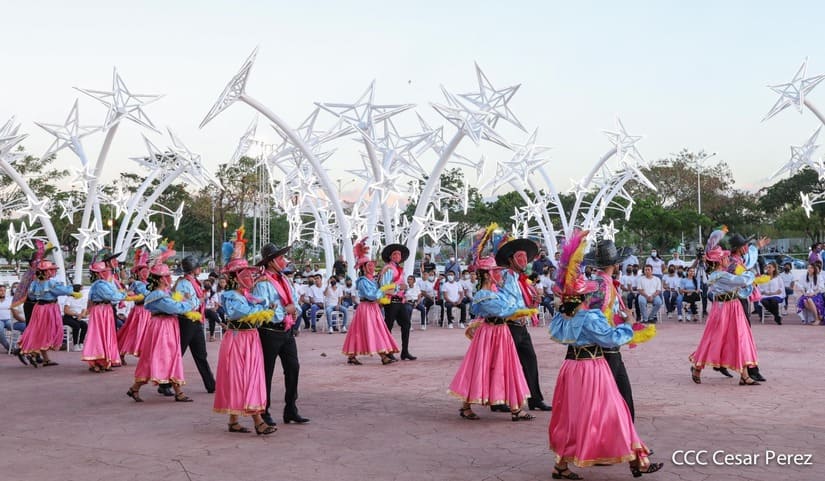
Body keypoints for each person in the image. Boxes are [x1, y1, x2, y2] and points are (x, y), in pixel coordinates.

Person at [549, 230, 662, 479]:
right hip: (593, 367)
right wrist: (629, 325)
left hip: (572, 368)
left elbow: (557, 332)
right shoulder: (590, 316)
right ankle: (635, 459)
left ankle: (564, 465)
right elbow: (610, 337)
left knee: (573, 417)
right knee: (615, 410)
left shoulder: (564, 318)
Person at [449, 239, 534, 422]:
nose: (499, 275)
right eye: (495, 272)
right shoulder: (482, 295)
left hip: (501, 333)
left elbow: (510, 304)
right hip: (489, 335)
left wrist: (522, 309)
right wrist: (523, 311)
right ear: (488, 276)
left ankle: (516, 409)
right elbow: (503, 310)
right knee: (479, 368)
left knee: (508, 368)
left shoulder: (497, 293)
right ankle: (466, 406)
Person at [211, 231, 278, 435]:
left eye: (249, 273)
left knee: (247, 376)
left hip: (250, 338)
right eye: (244, 273)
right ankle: (258, 421)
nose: (249, 276)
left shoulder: (247, 295)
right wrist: (263, 308)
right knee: (242, 377)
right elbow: (239, 313)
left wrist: (265, 305)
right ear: (236, 277)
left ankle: (233, 421)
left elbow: (259, 306)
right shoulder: (231, 296)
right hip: (238, 340)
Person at [586, 239, 650, 422]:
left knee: (622, 393)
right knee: (613, 395)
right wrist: (627, 322)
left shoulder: (600, 282)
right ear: (615, 265)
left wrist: (622, 316)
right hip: (606, 347)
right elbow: (598, 318)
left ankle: (626, 433)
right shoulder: (602, 285)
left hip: (609, 346)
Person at [689, 232, 765, 387]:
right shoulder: (719, 276)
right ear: (719, 261)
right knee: (713, 339)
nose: (727, 259)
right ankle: (697, 367)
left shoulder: (721, 273)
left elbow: (740, 287)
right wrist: (753, 275)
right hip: (723, 310)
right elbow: (740, 281)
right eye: (724, 257)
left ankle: (744, 375)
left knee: (741, 338)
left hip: (734, 307)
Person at [126, 243, 197, 403]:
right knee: (164, 357)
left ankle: (136, 388)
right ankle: (177, 392)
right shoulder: (159, 295)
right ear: (161, 279)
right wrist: (189, 303)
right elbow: (175, 308)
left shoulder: (163, 293)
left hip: (166, 326)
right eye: (167, 276)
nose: (169, 279)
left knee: (165, 357)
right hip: (163, 327)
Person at [253, 242, 309, 427]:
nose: (284, 261)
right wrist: (285, 310)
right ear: (271, 262)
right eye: (280, 258)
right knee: (266, 372)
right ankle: (264, 410)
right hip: (269, 331)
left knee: (293, 368)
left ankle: (291, 408)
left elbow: (295, 301)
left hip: (286, 330)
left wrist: (294, 310)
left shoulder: (284, 279)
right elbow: (263, 309)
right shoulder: (262, 283)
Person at [495, 236, 552, 412]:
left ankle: (535, 398)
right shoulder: (501, 276)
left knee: (530, 360)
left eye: (525, 257)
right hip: (507, 325)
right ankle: (499, 400)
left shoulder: (521, 279)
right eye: (520, 257)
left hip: (521, 326)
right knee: (504, 363)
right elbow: (497, 299)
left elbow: (523, 302)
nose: (524, 261)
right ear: (511, 259)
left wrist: (533, 302)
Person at [158, 255, 216, 396]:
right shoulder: (184, 283)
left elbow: (195, 299)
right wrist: (199, 300)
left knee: (201, 354)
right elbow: (185, 303)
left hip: (196, 320)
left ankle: (211, 385)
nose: (200, 269)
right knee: (178, 353)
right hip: (186, 321)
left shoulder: (194, 282)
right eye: (198, 267)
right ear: (193, 269)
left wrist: (200, 299)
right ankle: (164, 384)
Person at [342, 238, 400, 365]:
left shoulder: (373, 280)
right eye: (369, 265)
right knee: (368, 330)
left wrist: (390, 287)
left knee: (368, 330)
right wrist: (383, 290)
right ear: (363, 268)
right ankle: (383, 356)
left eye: (372, 265)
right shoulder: (362, 281)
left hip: (373, 308)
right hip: (366, 308)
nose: (372, 267)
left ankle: (352, 356)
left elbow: (380, 290)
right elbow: (371, 295)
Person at [727, 232, 770, 382]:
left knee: (733, 334)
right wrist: (756, 279)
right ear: (739, 248)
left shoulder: (739, 259)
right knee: (741, 335)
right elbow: (741, 280)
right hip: (735, 301)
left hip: (739, 300)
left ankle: (749, 370)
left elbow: (750, 259)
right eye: (745, 245)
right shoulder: (733, 263)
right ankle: (751, 370)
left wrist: (757, 246)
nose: (747, 247)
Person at [18, 260, 79, 367]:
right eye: (51, 270)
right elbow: (62, 290)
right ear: (46, 271)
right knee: (48, 331)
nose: (53, 272)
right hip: (49, 309)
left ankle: (42, 357)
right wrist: (72, 291)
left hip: (39, 308)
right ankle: (32, 352)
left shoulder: (35, 283)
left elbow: (31, 295)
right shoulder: (50, 283)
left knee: (39, 331)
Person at [82, 259, 126, 372]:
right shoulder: (100, 285)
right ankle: (97, 361)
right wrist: (125, 295)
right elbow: (112, 296)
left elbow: (90, 299)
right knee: (99, 335)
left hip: (105, 310)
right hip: (101, 310)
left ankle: (104, 361)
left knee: (106, 334)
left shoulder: (102, 284)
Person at [380, 243, 416, 360]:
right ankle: (387, 352)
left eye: (399, 254)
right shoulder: (388, 268)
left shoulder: (400, 269)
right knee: (388, 326)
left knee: (406, 324)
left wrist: (404, 289)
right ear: (390, 256)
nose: (397, 256)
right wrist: (399, 287)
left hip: (400, 301)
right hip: (390, 301)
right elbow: (384, 286)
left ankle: (405, 351)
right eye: (395, 254)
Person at [117, 249, 151, 364]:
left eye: (146, 270)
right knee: (131, 332)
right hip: (139, 311)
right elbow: (130, 293)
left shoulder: (150, 283)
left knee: (146, 334)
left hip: (148, 311)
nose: (145, 272)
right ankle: (121, 352)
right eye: (143, 270)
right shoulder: (137, 283)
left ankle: (146, 355)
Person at [62, 285, 88, 351]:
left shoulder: (82, 299)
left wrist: (81, 315)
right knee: (76, 325)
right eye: (81, 290)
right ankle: (75, 345)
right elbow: (66, 310)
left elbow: (84, 309)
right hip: (68, 317)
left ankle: (81, 343)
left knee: (85, 325)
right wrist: (76, 314)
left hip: (77, 317)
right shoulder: (69, 298)